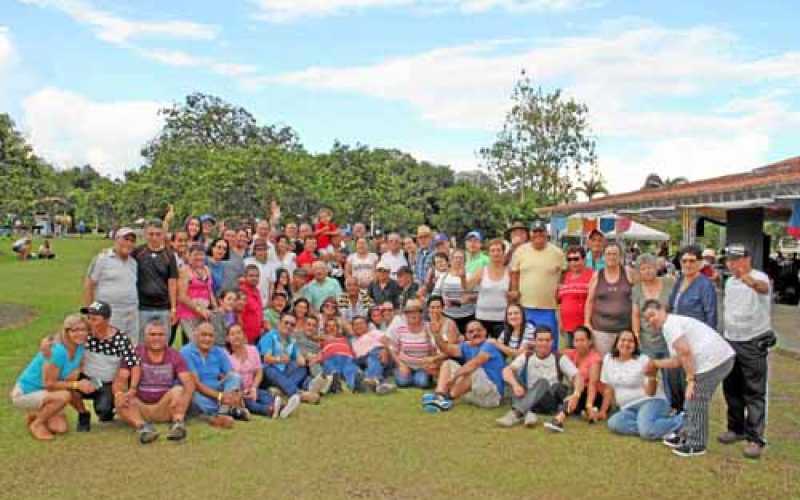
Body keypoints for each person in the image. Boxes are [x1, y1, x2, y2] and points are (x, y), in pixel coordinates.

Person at [642, 301, 735, 457]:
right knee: (691, 398)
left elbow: (685, 352)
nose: (651, 320)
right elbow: (678, 360)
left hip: (716, 360)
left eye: (653, 315)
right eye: (647, 319)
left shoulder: (670, 324)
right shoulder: (669, 327)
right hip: (712, 360)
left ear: (662, 310)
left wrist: (691, 380)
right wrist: (655, 363)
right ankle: (685, 434)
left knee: (696, 397)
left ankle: (696, 443)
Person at [720, 244, 775, 459]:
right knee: (731, 388)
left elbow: (763, 288)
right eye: (729, 260)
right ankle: (736, 428)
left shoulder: (758, 277)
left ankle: (755, 438)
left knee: (754, 391)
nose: (731, 263)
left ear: (747, 259)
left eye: (736, 259)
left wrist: (750, 281)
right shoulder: (730, 281)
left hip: (752, 342)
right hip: (731, 340)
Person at [11, 315, 93, 440]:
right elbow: (49, 383)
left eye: (83, 329)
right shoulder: (57, 350)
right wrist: (77, 385)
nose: (80, 333)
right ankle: (36, 424)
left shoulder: (80, 347)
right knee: (65, 395)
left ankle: (38, 414)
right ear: (67, 331)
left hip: (47, 392)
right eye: (75, 330)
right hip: (26, 392)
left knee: (60, 429)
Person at [113, 320, 194, 443]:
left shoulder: (174, 355)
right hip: (140, 407)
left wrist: (184, 400)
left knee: (179, 390)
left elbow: (188, 382)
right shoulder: (134, 353)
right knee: (121, 397)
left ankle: (178, 424)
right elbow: (121, 379)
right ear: (145, 337)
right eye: (152, 334)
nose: (157, 338)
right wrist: (119, 394)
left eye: (160, 335)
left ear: (166, 337)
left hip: (165, 407)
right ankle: (143, 428)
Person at [598, 331, 683, 440]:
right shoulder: (608, 359)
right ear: (616, 343)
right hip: (627, 407)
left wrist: (652, 376)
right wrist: (603, 411)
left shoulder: (643, 360)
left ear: (635, 345)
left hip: (650, 401)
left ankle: (682, 420)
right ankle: (657, 427)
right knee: (614, 423)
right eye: (623, 340)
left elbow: (651, 393)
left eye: (630, 341)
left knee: (646, 431)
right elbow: (608, 388)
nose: (626, 344)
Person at [494, 325, 580, 429]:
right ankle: (529, 414)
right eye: (540, 340)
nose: (544, 343)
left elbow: (577, 376)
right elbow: (506, 371)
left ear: (552, 341)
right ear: (534, 341)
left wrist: (576, 394)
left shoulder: (559, 358)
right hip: (530, 396)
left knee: (543, 382)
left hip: (549, 401)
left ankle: (515, 414)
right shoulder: (528, 355)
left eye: (547, 340)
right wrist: (515, 385)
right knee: (512, 374)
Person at [75, 301, 140, 431]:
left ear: (106, 320)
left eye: (94, 319)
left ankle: (107, 409)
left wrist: (133, 388)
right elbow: (63, 339)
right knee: (66, 388)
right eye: (88, 318)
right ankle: (83, 414)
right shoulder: (84, 334)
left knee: (103, 411)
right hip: (85, 378)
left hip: (106, 382)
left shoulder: (120, 338)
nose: (90, 322)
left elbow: (134, 364)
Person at [631, 254, 681, 410]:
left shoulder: (669, 283)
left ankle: (676, 406)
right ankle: (650, 405)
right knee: (649, 373)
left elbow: (676, 306)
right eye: (643, 268)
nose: (647, 271)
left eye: (650, 267)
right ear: (639, 271)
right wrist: (636, 334)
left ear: (657, 267)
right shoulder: (636, 289)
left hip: (668, 337)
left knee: (672, 375)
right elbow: (635, 313)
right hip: (647, 339)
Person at [423, 321, 506, 412]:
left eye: (479, 330)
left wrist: (454, 378)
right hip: (475, 392)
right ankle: (439, 395)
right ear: (466, 335)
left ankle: (447, 398)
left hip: (492, 397)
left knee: (473, 370)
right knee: (448, 363)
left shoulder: (489, 345)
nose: (475, 333)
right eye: (471, 332)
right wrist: (436, 334)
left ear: (485, 332)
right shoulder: (467, 346)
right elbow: (446, 349)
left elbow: (474, 363)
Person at [509, 219, 564, 350]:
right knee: (525, 345)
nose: (538, 235)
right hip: (525, 307)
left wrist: (560, 288)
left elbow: (564, 273)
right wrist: (515, 292)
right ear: (530, 234)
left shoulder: (557, 253)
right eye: (535, 232)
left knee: (548, 344)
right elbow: (514, 273)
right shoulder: (520, 251)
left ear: (546, 233)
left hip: (548, 308)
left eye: (541, 232)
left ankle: (551, 369)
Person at [227, 324, 300, 419]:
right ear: (228, 338)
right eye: (232, 334)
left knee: (264, 395)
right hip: (240, 393)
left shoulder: (252, 350)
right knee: (250, 404)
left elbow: (259, 371)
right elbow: (230, 382)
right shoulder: (227, 358)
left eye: (238, 333)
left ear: (243, 335)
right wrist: (242, 393)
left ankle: (280, 407)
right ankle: (272, 410)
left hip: (254, 387)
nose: (236, 336)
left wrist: (253, 388)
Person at [180, 322, 246, 428]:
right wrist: (220, 397)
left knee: (235, 377)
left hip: (217, 392)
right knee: (192, 398)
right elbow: (196, 384)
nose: (207, 339)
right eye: (203, 335)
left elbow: (230, 373)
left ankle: (222, 412)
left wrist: (234, 393)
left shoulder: (218, 351)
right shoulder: (186, 352)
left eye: (210, 336)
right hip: (198, 392)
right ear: (195, 335)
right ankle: (229, 410)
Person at [84, 227, 139, 343]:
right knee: (110, 346)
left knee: (130, 347)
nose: (128, 243)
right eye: (125, 239)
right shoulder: (102, 259)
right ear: (116, 240)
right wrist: (90, 313)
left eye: (131, 241)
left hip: (132, 313)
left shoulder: (133, 262)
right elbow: (89, 285)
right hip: (110, 313)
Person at [258, 312, 324, 404]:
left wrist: (308, 357)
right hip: (267, 375)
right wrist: (279, 359)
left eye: (292, 324)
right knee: (268, 368)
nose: (289, 326)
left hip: (283, 374)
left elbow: (300, 361)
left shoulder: (291, 340)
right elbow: (266, 359)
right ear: (279, 323)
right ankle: (299, 394)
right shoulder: (270, 336)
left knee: (302, 368)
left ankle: (280, 391)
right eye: (286, 323)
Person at [132, 220, 178, 347]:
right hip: (142, 307)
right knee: (141, 343)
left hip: (164, 307)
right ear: (145, 234)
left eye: (158, 234)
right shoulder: (137, 253)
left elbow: (172, 281)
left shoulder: (169, 255)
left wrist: (173, 308)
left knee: (163, 342)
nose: (154, 237)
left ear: (163, 235)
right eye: (151, 234)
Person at [585, 242, 633, 355]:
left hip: (624, 330)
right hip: (601, 330)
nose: (612, 257)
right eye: (609, 254)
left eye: (615, 254)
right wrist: (587, 322)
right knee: (603, 363)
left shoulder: (629, 273)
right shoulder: (597, 275)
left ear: (620, 256)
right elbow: (589, 301)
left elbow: (638, 297)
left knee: (623, 362)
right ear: (604, 256)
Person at [461, 239, 508, 338]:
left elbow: (513, 294)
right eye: (493, 250)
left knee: (499, 349)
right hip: (482, 318)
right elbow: (467, 288)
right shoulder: (482, 270)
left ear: (503, 252)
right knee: (481, 348)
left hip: (502, 318)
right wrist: (462, 277)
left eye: (498, 250)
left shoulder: (509, 271)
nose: (496, 253)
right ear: (489, 253)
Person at [386, 300, 436, 388]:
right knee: (403, 383)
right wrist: (401, 365)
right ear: (406, 315)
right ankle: (405, 374)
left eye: (416, 312)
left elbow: (434, 348)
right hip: (405, 364)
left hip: (422, 365)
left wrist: (430, 362)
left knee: (423, 383)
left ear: (421, 314)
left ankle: (419, 377)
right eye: (409, 312)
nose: (413, 315)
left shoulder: (428, 327)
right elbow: (393, 349)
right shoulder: (400, 328)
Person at [561, 326, 604, 422]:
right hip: (577, 391)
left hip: (593, 394)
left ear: (590, 342)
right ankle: (578, 410)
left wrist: (589, 405)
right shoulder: (571, 353)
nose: (579, 344)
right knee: (559, 389)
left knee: (573, 397)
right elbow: (555, 354)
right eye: (576, 340)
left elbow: (593, 384)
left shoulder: (595, 358)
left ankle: (586, 410)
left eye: (582, 340)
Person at [669, 245, 718, 330]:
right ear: (680, 262)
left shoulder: (705, 285)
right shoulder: (679, 281)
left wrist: (708, 338)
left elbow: (711, 316)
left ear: (699, 263)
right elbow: (672, 306)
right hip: (678, 332)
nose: (687, 264)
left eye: (692, 261)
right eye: (684, 261)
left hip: (697, 334)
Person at [177, 244, 216, 340]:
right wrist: (199, 309)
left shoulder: (206, 269)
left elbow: (210, 291)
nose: (199, 257)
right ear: (189, 256)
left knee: (205, 340)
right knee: (196, 341)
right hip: (189, 313)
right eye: (196, 254)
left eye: (202, 254)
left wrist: (216, 308)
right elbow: (182, 296)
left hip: (205, 312)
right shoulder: (184, 270)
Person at [557, 246, 594, 348]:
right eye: (569, 259)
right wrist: (560, 322)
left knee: (583, 354)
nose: (573, 262)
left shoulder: (592, 275)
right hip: (567, 326)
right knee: (570, 356)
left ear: (584, 259)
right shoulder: (564, 277)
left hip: (584, 327)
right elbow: (560, 302)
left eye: (576, 259)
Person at [432, 249, 475, 334]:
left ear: (465, 261)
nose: (458, 260)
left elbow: (478, 296)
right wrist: (442, 301)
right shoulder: (443, 277)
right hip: (447, 317)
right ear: (450, 261)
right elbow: (435, 296)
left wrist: (469, 298)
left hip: (467, 317)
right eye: (455, 258)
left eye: (461, 258)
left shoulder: (471, 276)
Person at [351, 316, 395, 394]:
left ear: (366, 325)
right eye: (356, 324)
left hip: (381, 355)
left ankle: (373, 380)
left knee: (374, 353)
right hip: (364, 361)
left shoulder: (374, 332)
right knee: (366, 362)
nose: (359, 326)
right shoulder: (353, 342)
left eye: (361, 323)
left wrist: (385, 350)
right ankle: (379, 383)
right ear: (353, 328)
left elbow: (388, 342)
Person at [320, 318, 363, 392]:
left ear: (337, 329)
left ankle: (351, 385)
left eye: (334, 326)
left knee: (350, 368)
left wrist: (354, 359)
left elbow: (352, 352)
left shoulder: (345, 339)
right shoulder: (322, 339)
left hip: (346, 357)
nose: (331, 328)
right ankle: (336, 381)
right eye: (329, 326)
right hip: (330, 357)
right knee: (330, 366)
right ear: (325, 329)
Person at [244, 239, 273, 312]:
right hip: (248, 299)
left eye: (264, 249)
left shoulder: (271, 265)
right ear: (254, 250)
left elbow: (271, 284)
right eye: (259, 249)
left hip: (264, 301)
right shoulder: (247, 262)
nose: (261, 252)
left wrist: (269, 300)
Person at [238, 265, 264, 344]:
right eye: (251, 276)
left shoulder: (257, 291)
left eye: (257, 276)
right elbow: (239, 316)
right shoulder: (241, 292)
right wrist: (242, 336)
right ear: (245, 277)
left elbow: (259, 312)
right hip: (245, 338)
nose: (254, 278)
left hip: (257, 337)